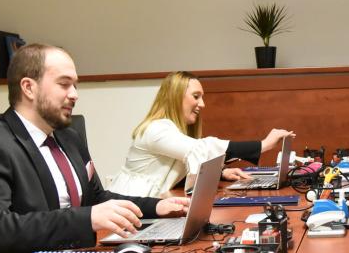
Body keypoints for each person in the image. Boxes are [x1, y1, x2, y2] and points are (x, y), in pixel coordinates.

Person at [0, 44, 190, 253]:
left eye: (75, 85)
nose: (74, 94)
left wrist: (156, 207)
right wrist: (85, 219)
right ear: (28, 87)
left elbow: (97, 198)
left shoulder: (67, 136)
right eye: (64, 84)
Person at [109, 71, 294, 198]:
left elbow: (179, 166)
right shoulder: (156, 129)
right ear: (175, 97)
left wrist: (222, 172)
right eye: (196, 96)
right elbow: (201, 148)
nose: (203, 104)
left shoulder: (171, 130)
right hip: (129, 210)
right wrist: (263, 145)